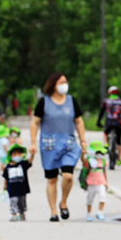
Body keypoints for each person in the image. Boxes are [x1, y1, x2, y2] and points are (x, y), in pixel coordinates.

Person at [30, 73, 88, 222]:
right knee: (52, 179)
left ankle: (63, 202)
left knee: (68, 176)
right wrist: (33, 142)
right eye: (61, 82)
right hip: (49, 145)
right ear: (53, 85)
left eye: (66, 82)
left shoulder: (71, 101)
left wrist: (83, 141)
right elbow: (35, 122)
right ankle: (54, 211)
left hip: (68, 144)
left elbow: (79, 121)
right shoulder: (44, 102)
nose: (64, 85)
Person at [97, 86, 121, 167]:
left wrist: (98, 122)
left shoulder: (106, 101)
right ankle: (119, 159)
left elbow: (101, 113)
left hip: (109, 123)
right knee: (119, 141)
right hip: (118, 123)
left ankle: (106, 145)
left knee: (105, 132)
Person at [2, 143, 33, 222]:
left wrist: (32, 155)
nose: (17, 156)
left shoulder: (23, 164)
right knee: (13, 200)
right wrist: (5, 184)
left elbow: (29, 162)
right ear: (11, 156)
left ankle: (22, 213)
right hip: (12, 188)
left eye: (19, 154)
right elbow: (6, 177)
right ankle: (13, 214)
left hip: (22, 188)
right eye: (15, 154)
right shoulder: (8, 166)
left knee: (21, 202)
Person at [83, 141, 109, 221]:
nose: (98, 153)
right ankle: (89, 213)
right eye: (96, 152)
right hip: (91, 183)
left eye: (99, 152)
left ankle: (100, 212)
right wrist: (84, 154)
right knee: (90, 199)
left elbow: (104, 172)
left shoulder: (103, 161)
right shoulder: (89, 160)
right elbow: (84, 161)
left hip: (101, 182)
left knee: (103, 197)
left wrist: (106, 182)